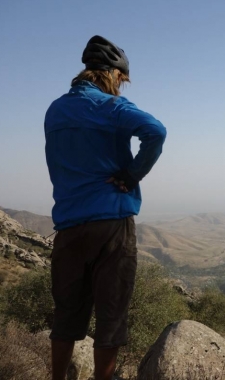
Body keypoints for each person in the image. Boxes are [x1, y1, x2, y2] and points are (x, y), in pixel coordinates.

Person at [44, 35, 167, 380]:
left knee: (66, 314)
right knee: (111, 315)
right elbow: (156, 132)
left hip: (68, 226)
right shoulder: (110, 107)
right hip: (110, 224)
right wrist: (131, 174)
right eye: (121, 81)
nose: (121, 87)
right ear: (113, 75)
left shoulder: (55, 110)